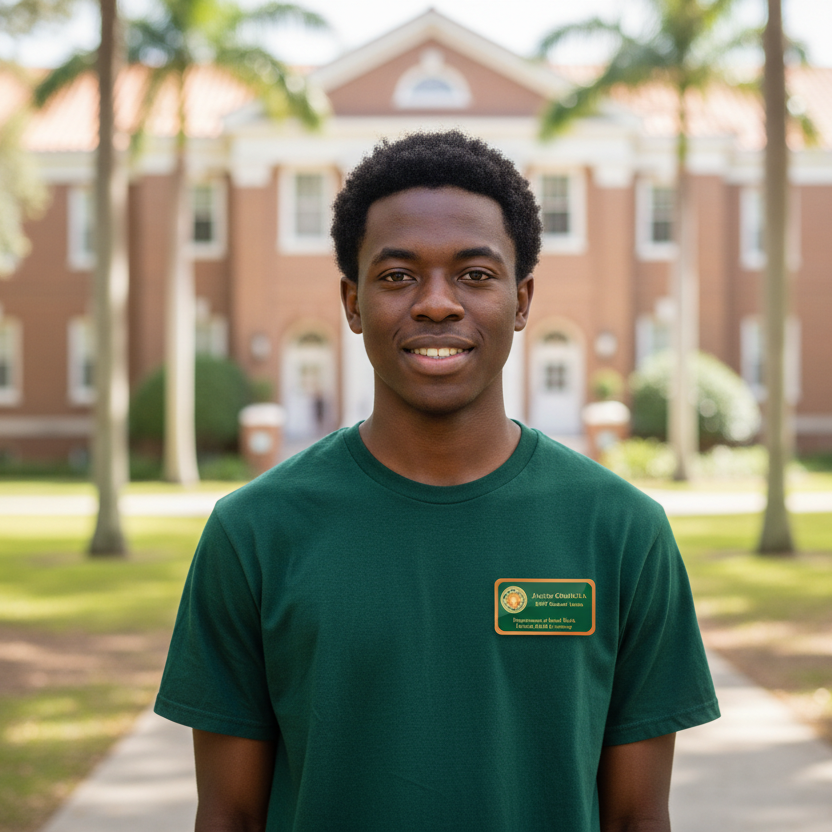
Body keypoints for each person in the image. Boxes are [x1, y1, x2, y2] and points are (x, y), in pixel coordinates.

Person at [155, 131, 719, 831]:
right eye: (397, 276)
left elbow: (638, 815)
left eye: (475, 275)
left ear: (521, 299)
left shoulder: (624, 532)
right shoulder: (254, 534)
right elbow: (230, 814)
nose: (437, 303)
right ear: (353, 302)